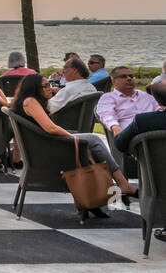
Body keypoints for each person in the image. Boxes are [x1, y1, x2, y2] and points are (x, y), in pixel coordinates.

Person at [13, 74, 136, 216]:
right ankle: (120, 184)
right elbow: (50, 128)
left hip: (44, 145)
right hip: (46, 150)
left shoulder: (32, 101)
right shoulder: (30, 101)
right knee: (93, 140)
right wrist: (72, 138)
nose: (50, 88)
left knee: (90, 145)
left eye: (49, 84)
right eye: (45, 86)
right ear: (34, 88)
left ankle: (94, 199)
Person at [96, 66, 157, 141]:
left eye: (131, 76)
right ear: (113, 81)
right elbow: (107, 115)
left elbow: (159, 110)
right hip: (131, 138)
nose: (129, 78)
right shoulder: (108, 97)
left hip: (155, 133)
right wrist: (115, 127)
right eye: (123, 76)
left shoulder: (145, 96)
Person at [113, 84, 166, 160]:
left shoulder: (143, 120)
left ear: (158, 103)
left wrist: (134, 150)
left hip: (153, 169)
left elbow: (120, 144)